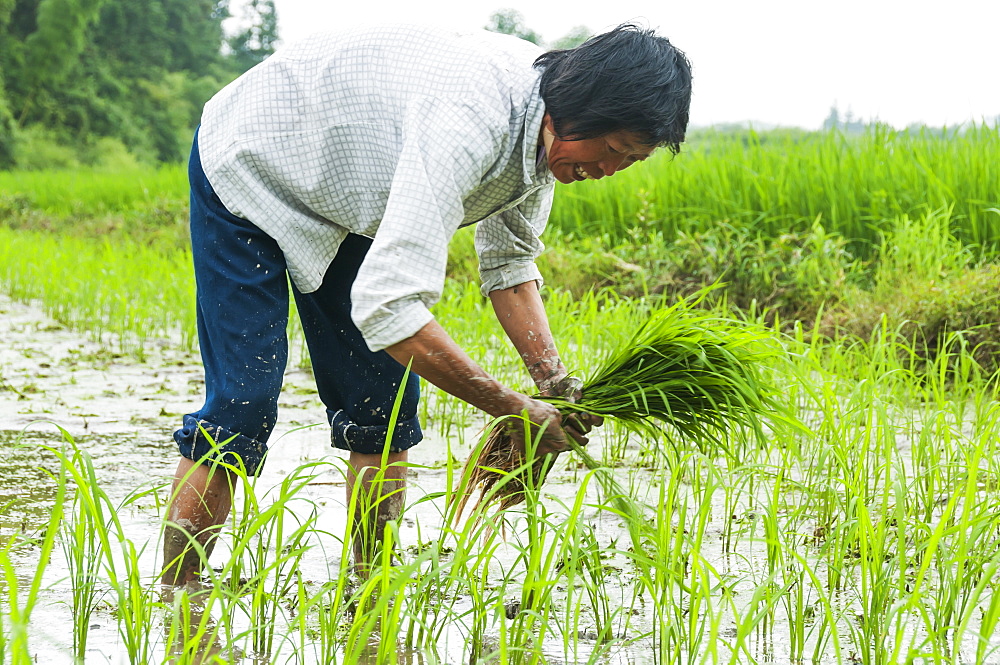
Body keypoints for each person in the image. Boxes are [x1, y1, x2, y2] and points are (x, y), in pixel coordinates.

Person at [161, 22, 692, 587]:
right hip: (257, 161)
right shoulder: (470, 118)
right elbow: (392, 311)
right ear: (575, 114)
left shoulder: (543, 143)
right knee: (244, 400)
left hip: (353, 189)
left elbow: (509, 271)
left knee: (383, 409)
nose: (609, 171)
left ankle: (372, 586)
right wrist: (512, 408)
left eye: (629, 162)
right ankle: (175, 593)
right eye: (611, 150)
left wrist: (556, 384)